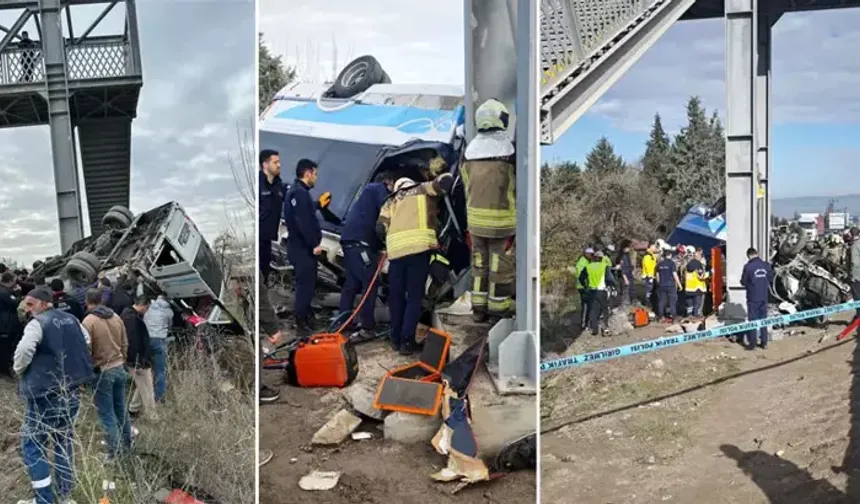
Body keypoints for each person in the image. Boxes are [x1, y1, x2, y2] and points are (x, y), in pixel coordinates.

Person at [13, 286, 93, 504]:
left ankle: (44, 500)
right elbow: (86, 341)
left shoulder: (37, 324)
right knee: (63, 441)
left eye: (31, 304)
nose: (28, 310)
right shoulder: (72, 320)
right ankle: (65, 495)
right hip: (71, 391)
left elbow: (24, 351)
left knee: (33, 445)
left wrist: (19, 369)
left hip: (44, 396)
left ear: (43, 303)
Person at [377, 171, 454, 354]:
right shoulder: (421, 189)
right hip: (417, 251)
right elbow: (441, 184)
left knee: (396, 298)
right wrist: (446, 173)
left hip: (395, 255)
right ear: (410, 183)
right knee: (413, 298)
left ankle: (395, 340)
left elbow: (379, 228)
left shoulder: (390, 201)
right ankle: (407, 343)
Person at [461, 98, 517, 321]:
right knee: (499, 269)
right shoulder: (508, 152)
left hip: (475, 224)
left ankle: (478, 310)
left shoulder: (469, 152)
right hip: (502, 225)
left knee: (479, 267)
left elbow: (466, 186)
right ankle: (499, 309)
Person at [338, 171, 394, 340]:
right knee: (371, 283)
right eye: (392, 187)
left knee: (351, 283)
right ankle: (367, 327)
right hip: (360, 245)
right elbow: (385, 216)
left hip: (350, 242)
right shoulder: (378, 189)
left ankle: (345, 321)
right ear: (387, 182)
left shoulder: (365, 196)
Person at [82, 288, 131, 459]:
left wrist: (88, 370)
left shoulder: (89, 322)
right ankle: (127, 444)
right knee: (121, 408)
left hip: (102, 370)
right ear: (102, 300)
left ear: (87, 301)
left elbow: (85, 350)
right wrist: (122, 359)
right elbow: (125, 342)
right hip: (119, 368)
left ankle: (114, 453)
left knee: (106, 413)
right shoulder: (116, 317)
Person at [283, 158, 324, 336]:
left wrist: (317, 205)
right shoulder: (299, 193)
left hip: (298, 248)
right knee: (305, 287)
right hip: (302, 250)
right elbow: (303, 222)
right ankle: (301, 323)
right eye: (315, 174)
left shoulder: (297, 192)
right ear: (307, 173)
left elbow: (302, 213)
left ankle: (305, 318)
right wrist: (314, 244)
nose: (316, 178)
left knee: (306, 285)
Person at [122, 295, 156, 420]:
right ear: (142, 305)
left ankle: (133, 408)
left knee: (142, 385)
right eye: (146, 308)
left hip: (135, 358)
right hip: (137, 359)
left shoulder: (128, 315)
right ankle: (152, 416)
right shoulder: (132, 318)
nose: (146, 311)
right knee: (147, 387)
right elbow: (133, 341)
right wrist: (137, 360)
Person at [259, 149, 284, 285]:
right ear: (265, 164)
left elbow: (296, 200)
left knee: (265, 275)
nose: (279, 165)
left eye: (279, 162)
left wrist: (317, 205)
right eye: (275, 162)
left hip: (267, 240)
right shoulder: (258, 183)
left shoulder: (279, 186)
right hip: (258, 238)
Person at [740, 247, 774, 350]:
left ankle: (753, 343)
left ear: (749, 256)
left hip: (752, 298)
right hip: (764, 297)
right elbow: (771, 279)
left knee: (753, 321)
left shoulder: (748, 267)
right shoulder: (766, 265)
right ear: (757, 254)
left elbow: (743, 282)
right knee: (764, 320)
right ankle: (764, 343)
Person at [143, 294, 173, 403]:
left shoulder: (148, 308)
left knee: (146, 368)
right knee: (160, 369)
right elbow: (169, 326)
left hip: (147, 339)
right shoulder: (169, 311)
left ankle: (146, 395)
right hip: (159, 340)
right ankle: (159, 397)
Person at [578, 250, 616, 336]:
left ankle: (594, 330)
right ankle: (605, 328)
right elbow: (610, 279)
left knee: (593, 311)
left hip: (591, 291)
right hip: (602, 291)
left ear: (594, 258)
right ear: (601, 258)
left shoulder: (588, 266)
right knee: (605, 309)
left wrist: (585, 286)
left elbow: (581, 278)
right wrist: (613, 287)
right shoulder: (604, 266)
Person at [0, 272, 23, 376]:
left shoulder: (4, 290)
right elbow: (14, 303)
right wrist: (18, 293)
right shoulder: (4, 292)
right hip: (5, 323)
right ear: (9, 281)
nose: (15, 283)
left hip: (6, 322)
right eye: (14, 281)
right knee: (6, 347)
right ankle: (4, 369)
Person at [656, 249, 681, 322]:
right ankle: (674, 317)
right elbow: (674, 274)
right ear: (670, 255)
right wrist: (679, 284)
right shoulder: (672, 263)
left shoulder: (659, 264)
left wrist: (659, 283)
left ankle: (661, 317)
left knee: (662, 301)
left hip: (661, 285)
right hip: (670, 285)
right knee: (672, 302)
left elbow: (657, 276)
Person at [684, 248, 709, 318]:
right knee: (697, 304)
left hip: (689, 288)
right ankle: (696, 316)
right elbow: (701, 276)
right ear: (697, 256)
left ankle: (689, 315)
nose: (701, 256)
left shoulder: (688, 264)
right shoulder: (698, 264)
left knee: (689, 304)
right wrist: (710, 273)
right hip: (697, 288)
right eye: (701, 255)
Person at [575, 248, 593, 329]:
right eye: (591, 254)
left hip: (585, 286)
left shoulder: (586, 261)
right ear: (586, 254)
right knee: (586, 305)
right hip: (583, 287)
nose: (592, 256)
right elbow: (580, 277)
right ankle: (584, 324)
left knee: (588, 305)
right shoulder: (582, 263)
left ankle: (586, 322)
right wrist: (586, 286)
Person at [641, 245, 658, 310]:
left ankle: (649, 302)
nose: (655, 248)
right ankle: (646, 303)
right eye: (653, 247)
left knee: (651, 290)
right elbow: (648, 266)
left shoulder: (651, 255)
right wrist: (650, 276)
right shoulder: (647, 256)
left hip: (652, 276)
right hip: (648, 277)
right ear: (649, 247)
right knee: (648, 290)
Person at [850, 227, 860, 336]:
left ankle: (858, 319)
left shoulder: (854, 246)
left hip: (857, 277)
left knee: (858, 299)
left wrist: (852, 277)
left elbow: (854, 263)